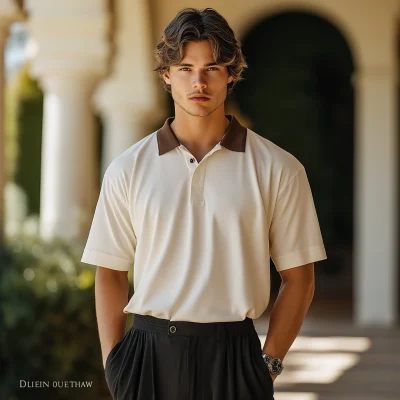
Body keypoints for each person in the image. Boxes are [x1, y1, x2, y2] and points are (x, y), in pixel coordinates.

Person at [81, 7, 327, 400]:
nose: (198, 81)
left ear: (231, 74)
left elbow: (300, 277)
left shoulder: (279, 168)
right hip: (148, 357)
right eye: (184, 68)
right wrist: (115, 366)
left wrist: (269, 366)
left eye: (212, 68)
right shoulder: (127, 168)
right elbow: (110, 271)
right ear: (166, 76)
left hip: (236, 357)